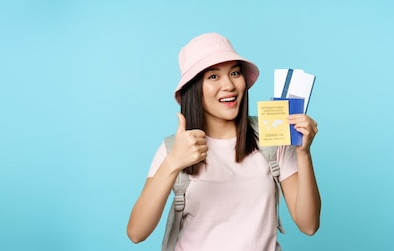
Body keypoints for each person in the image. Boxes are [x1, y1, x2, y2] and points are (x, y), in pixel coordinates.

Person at [126, 33, 321, 250]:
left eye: (235, 73)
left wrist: (304, 153)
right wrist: (173, 163)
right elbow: (136, 233)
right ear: (194, 88)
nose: (228, 85)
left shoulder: (270, 136)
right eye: (213, 76)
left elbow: (309, 225)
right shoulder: (173, 148)